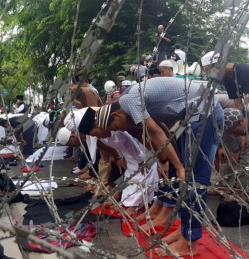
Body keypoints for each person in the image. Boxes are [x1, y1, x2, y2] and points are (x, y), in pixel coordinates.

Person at [93, 77, 223, 256]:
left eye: (116, 126)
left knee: (194, 179)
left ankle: (189, 241)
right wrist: (167, 161)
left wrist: (178, 166)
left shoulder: (129, 101)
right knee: (186, 177)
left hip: (204, 113)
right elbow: (161, 129)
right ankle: (184, 231)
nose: (120, 130)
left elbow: (156, 131)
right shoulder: (129, 101)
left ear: (116, 115)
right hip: (193, 115)